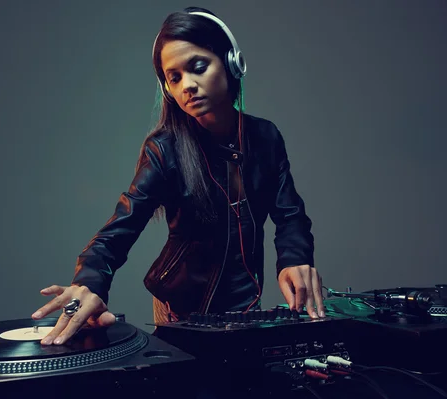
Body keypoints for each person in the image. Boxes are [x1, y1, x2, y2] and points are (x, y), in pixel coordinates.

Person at [32, 7, 324, 346]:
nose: (188, 85)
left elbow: (290, 214)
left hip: (245, 303)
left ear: (232, 63)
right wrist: (90, 282)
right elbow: (120, 227)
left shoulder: (265, 137)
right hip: (180, 307)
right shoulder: (165, 149)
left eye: (198, 67)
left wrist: (295, 259)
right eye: (174, 78)